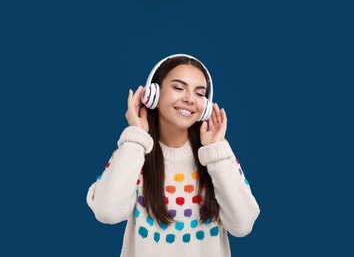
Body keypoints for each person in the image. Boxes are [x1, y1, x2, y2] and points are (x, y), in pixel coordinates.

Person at [86, 54, 260, 256]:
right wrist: (136, 137)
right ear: (153, 95)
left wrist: (216, 151)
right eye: (179, 88)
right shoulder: (133, 152)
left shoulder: (217, 155)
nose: (189, 99)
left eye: (200, 93)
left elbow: (243, 225)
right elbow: (108, 212)